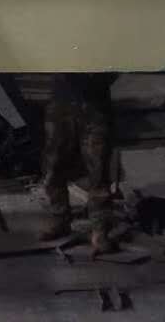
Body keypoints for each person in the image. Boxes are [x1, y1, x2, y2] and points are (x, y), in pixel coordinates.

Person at [40, 72, 116, 252]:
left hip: (95, 105)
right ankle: (59, 218)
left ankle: (100, 229)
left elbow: (117, 66)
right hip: (61, 102)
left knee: (98, 169)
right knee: (53, 166)